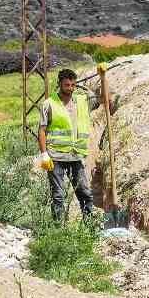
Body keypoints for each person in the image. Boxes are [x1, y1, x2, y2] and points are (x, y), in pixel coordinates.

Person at [41, 68, 96, 223]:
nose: (70, 88)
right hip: (56, 157)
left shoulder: (81, 101)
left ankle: (90, 226)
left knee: (85, 193)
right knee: (58, 196)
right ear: (59, 84)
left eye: (73, 85)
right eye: (67, 85)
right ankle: (58, 230)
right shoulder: (49, 104)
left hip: (75, 155)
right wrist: (44, 154)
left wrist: (103, 76)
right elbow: (42, 130)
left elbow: (104, 99)